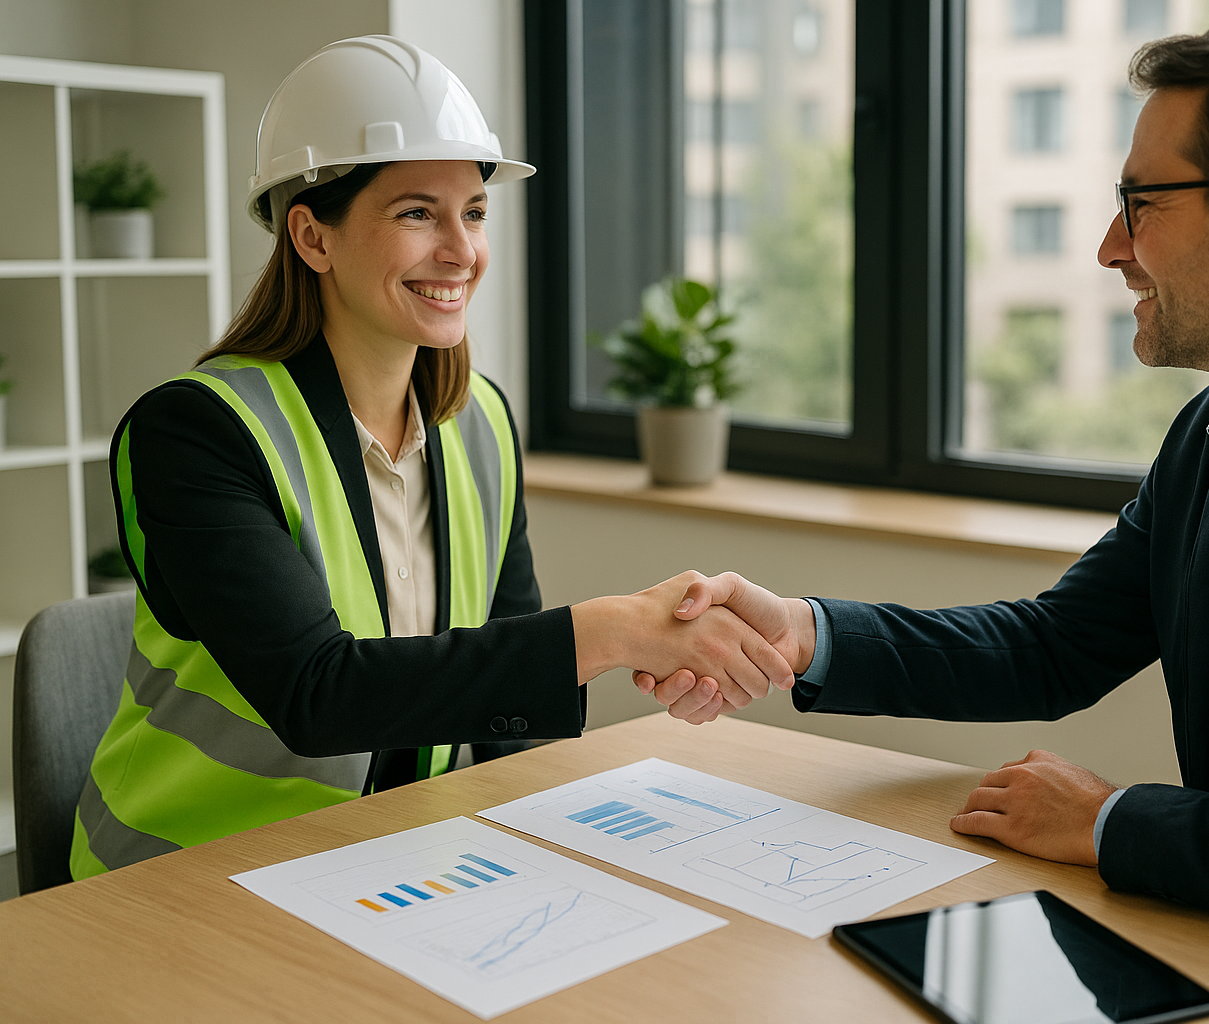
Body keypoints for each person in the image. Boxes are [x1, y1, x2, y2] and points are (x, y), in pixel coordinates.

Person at [637, 28, 1209, 966]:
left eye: (1140, 205)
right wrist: (803, 634)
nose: (1111, 248)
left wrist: (1111, 821)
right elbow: (1055, 646)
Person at [70, 35, 788, 880]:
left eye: (474, 212)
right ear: (312, 237)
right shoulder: (197, 431)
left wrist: (540, 850)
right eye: (417, 213)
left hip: (394, 862)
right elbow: (318, 694)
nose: (461, 251)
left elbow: (502, 697)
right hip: (187, 876)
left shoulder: (482, 422)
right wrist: (611, 631)